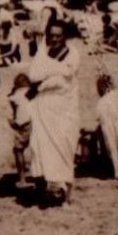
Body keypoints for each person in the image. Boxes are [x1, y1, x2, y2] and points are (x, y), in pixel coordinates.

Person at [24, 21, 81, 204]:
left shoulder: (73, 54)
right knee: (39, 147)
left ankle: (66, 192)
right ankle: (41, 188)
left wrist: (46, 78)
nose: (55, 39)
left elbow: (64, 78)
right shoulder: (43, 52)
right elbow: (33, 74)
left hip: (63, 107)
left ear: (65, 36)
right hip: (42, 108)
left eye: (58, 35)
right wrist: (49, 76)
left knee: (63, 145)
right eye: (52, 35)